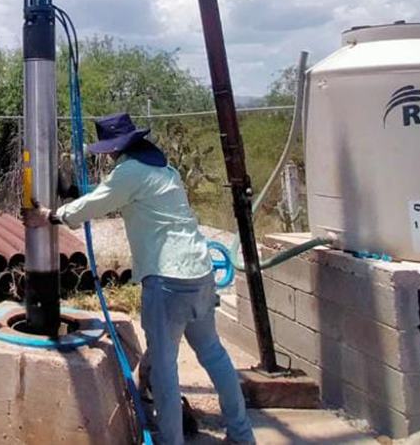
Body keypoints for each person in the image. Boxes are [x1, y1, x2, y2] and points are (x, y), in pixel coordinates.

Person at [25, 113, 255, 445]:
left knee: (164, 368)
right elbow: (115, 193)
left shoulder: (129, 171)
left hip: (168, 279)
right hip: (199, 273)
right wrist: (77, 191)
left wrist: (52, 216)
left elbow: (102, 199)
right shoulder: (161, 167)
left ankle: (171, 440)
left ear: (112, 149)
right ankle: (242, 435)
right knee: (213, 353)